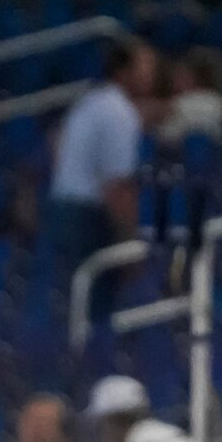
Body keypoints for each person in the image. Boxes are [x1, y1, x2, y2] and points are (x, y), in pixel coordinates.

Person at [47, 40, 153, 270]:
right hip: (87, 218)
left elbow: (56, 144)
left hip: (61, 210)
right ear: (125, 71)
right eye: (145, 67)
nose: (151, 75)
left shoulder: (89, 102)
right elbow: (116, 186)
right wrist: (130, 241)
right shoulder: (120, 112)